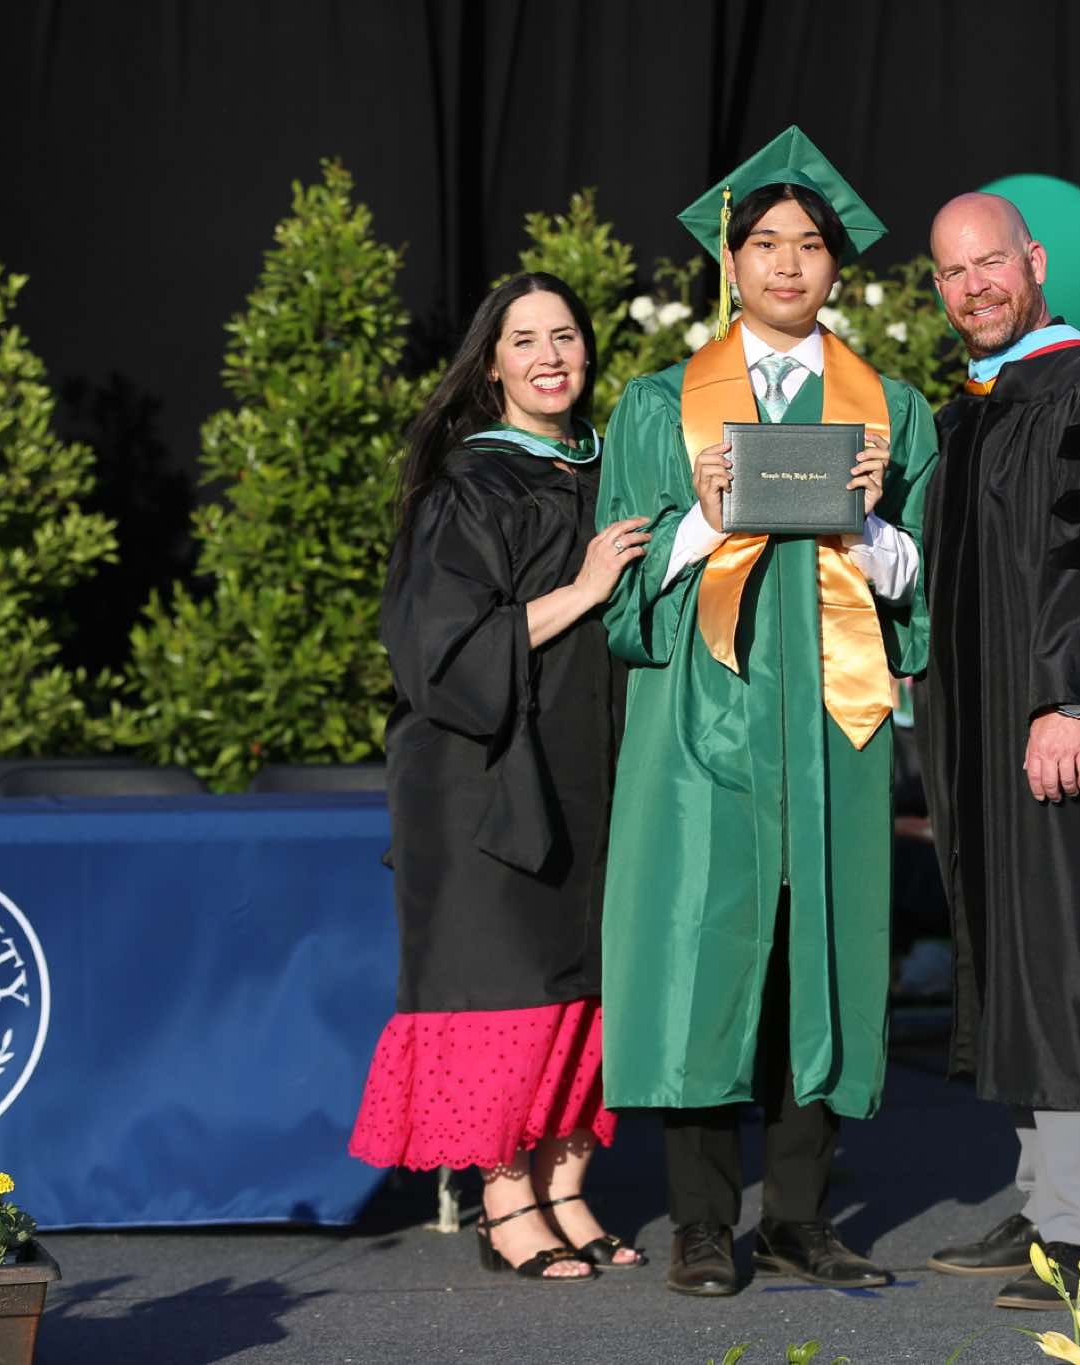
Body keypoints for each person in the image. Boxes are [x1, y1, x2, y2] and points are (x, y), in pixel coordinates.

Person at [596, 126, 937, 1298]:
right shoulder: (658, 409)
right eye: (764, 244)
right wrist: (702, 518)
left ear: (836, 266)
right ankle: (699, 1225)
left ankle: (798, 1218)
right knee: (700, 956)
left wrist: (870, 527)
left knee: (817, 961)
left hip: (834, 731)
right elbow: (622, 602)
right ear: (729, 261)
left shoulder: (890, 414)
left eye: (809, 245)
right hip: (700, 727)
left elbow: (924, 594)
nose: (787, 264)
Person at [349, 272, 653, 1282]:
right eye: (524, 341)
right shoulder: (469, 487)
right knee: (507, 987)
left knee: (585, 987)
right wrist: (586, 587)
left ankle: (565, 1188)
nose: (548, 358)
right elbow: (440, 652)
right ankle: (504, 1200)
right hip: (483, 781)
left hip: (589, 768)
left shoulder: (610, 470)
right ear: (491, 365)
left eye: (564, 336)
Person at [918, 192, 1080, 1312]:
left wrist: (1069, 699)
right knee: (1009, 957)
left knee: (1062, 963)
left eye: (990, 263)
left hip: (1059, 727)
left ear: (1035, 262)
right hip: (978, 737)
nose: (973, 287)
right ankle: (1043, 1205)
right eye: (951, 273)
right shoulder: (965, 412)